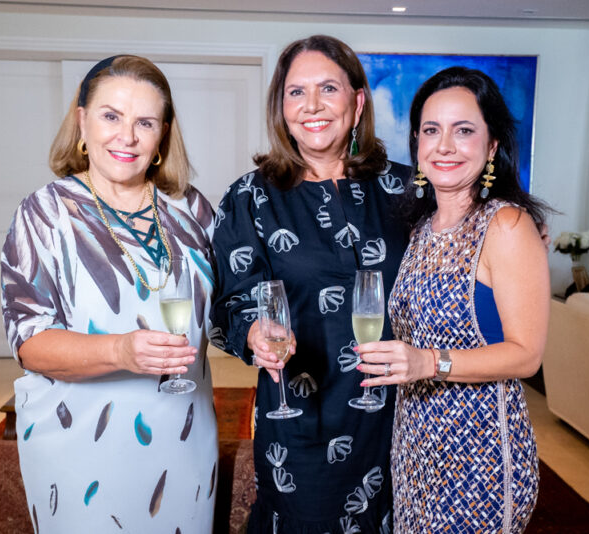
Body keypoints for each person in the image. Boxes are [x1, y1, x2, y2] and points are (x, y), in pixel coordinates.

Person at [0, 55, 217, 533]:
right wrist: (121, 349)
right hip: (81, 449)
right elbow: (29, 342)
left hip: (185, 437)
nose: (128, 137)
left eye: (145, 122)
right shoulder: (44, 215)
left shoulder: (192, 210)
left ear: (163, 134)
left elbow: (221, 314)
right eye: (111, 116)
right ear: (82, 119)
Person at [210, 35, 410, 533]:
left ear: (357, 101)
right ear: (281, 107)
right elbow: (231, 303)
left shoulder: (409, 190)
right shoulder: (251, 197)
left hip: (403, 416)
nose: (312, 106)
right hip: (300, 418)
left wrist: (515, 223)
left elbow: (474, 225)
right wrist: (252, 334)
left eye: (328, 88)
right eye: (296, 92)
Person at [356, 66, 550, 532]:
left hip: (479, 455)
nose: (444, 145)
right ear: (417, 145)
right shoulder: (421, 227)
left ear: (492, 146)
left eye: (464, 131)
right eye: (431, 130)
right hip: (416, 446)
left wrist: (430, 363)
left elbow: (527, 356)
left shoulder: (506, 225)